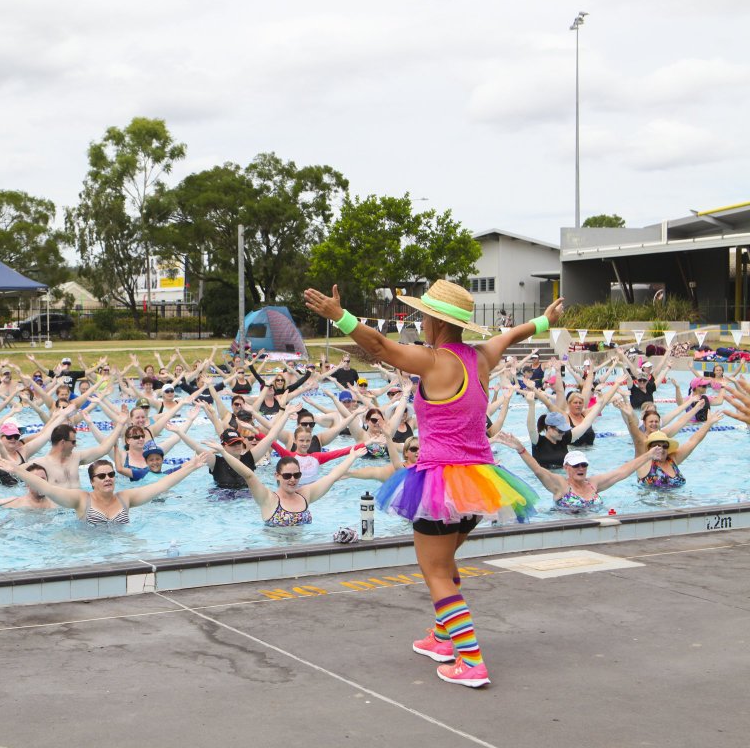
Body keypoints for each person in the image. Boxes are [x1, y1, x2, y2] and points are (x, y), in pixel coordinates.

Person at [306, 278, 559, 688]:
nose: (420, 321)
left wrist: (342, 316)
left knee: (435, 570)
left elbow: (380, 348)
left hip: (441, 482)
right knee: (445, 563)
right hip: (481, 484)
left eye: (423, 315)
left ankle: (471, 661)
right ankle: (444, 638)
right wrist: (544, 323)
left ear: (434, 321)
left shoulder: (433, 360)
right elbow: (513, 334)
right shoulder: (482, 357)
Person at [0, 455, 210, 526]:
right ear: (92, 482)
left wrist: (190, 467)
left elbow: (160, 486)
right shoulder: (80, 499)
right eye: (102, 476)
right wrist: (16, 470)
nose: (108, 478)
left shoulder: (126, 497)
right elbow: (47, 488)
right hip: (90, 548)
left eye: (111, 475)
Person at [494, 435, 654, 514]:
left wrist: (648, 455)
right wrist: (521, 449)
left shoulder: (593, 483)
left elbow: (622, 472)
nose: (580, 468)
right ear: (566, 468)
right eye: (576, 465)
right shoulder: (561, 486)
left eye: (583, 464)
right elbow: (538, 470)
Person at [213, 446, 366, 526]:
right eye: (287, 476)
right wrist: (224, 454)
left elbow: (332, 476)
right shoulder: (268, 499)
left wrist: (352, 457)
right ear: (277, 476)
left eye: (297, 475)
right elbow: (249, 475)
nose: (292, 479)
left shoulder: (305, 494)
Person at [635, 418, 722, 488]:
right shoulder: (644, 464)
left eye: (665, 446)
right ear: (649, 448)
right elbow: (638, 441)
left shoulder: (672, 460)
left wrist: (708, 423)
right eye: (657, 446)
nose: (661, 449)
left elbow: (693, 442)